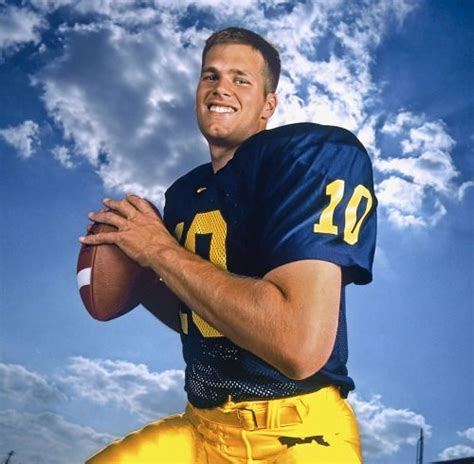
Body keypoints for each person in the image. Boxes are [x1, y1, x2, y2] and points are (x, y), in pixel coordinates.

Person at [82, 27, 377, 463]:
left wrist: (159, 252)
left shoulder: (308, 155)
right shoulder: (186, 194)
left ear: (268, 105)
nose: (221, 88)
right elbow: (213, 321)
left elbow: (297, 346)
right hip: (202, 428)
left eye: (241, 79)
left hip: (298, 435)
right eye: (210, 76)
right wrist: (143, 282)